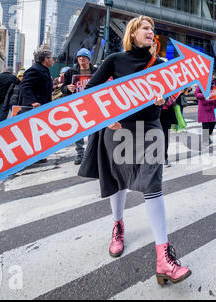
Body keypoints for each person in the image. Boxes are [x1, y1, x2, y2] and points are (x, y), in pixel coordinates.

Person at [79, 16, 191, 286]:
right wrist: (107, 117)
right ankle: (118, 226)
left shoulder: (162, 66)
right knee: (119, 183)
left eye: (152, 29)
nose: (151, 32)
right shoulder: (115, 60)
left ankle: (164, 257)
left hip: (150, 129)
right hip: (118, 131)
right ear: (132, 33)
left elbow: (171, 97)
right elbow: (89, 91)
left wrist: (165, 99)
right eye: (145, 28)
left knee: (154, 185)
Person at [61, 48, 98, 165]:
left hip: (92, 103)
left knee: (94, 129)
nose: (81, 59)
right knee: (78, 130)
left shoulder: (96, 71)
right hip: (76, 104)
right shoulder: (70, 72)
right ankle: (80, 154)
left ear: (89, 59)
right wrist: (67, 88)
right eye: (79, 57)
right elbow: (62, 88)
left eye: (84, 57)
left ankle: (92, 154)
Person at [19, 48, 54, 163]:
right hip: (34, 107)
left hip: (41, 106)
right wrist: (33, 101)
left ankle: (37, 155)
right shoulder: (35, 70)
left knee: (38, 132)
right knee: (31, 133)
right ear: (45, 59)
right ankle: (27, 157)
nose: (53, 60)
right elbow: (25, 86)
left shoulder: (44, 69)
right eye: (51, 58)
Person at [195, 75, 216, 145]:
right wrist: (204, 95)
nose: (212, 77)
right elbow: (196, 94)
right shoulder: (201, 84)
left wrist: (215, 100)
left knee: (213, 123)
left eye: (213, 75)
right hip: (204, 108)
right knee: (205, 124)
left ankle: (208, 135)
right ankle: (205, 140)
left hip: (212, 107)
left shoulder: (214, 84)